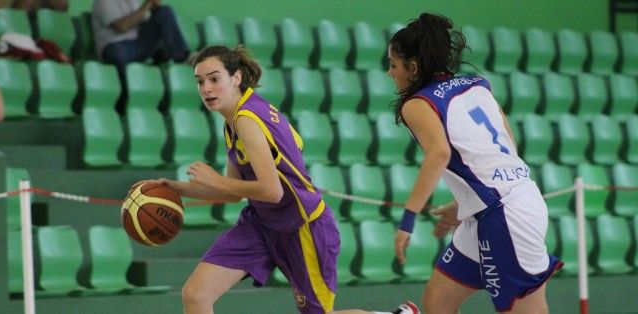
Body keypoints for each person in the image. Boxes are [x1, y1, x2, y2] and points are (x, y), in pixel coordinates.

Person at [133, 45, 420, 314]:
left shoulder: (247, 119)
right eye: (199, 82)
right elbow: (234, 193)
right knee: (196, 295)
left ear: (236, 77)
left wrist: (214, 179)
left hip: (303, 226)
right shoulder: (232, 119)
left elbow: (271, 192)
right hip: (262, 223)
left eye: (214, 79)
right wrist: (177, 189)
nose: (206, 88)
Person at [388, 12, 563, 314]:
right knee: (437, 302)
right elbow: (509, 148)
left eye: (393, 65)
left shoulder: (416, 104)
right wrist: (465, 204)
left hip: (505, 217)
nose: (391, 73)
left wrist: (408, 220)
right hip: (501, 207)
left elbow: (439, 153)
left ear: (413, 68)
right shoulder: (477, 85)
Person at [91, 0, 190, 76]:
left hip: (137, 44)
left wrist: (153, 9)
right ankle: (125, 96)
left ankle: (182, 57)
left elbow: (143, 20)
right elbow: (122, 26)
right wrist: (147, 5)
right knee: (119, 53)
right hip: (115, 46)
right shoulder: (103, 1)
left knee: (164, 12)